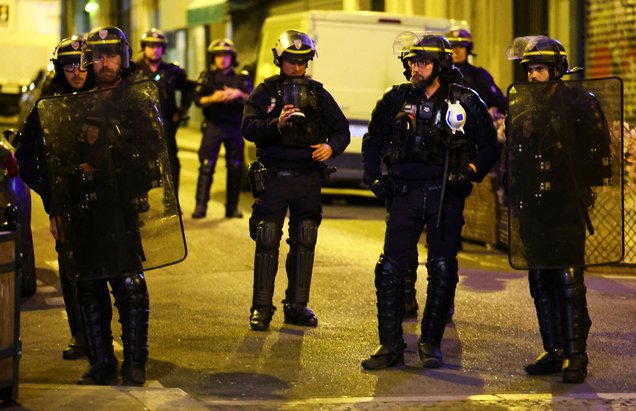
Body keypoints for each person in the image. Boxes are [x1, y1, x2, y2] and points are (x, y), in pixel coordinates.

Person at [33, 26, 172, 386]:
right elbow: (54, 158)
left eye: (112, 54)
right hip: (82, 209)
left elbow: (154, 155)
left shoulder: (136, 99)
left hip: (120, 207)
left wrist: (116, 158)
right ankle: (100, 362)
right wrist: (57, 205)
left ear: (122, 57)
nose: (105, 62)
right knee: (89, 286)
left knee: (128, 284)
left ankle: (135, 362)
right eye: (98, 55)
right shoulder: (74, 102)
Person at [360, 32, 500, 370]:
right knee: (390, 269)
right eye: (411, 61)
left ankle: (430, 343)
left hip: (444, 196)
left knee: (441, 268)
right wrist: (374, 177)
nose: (414, 68)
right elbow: (372, 140)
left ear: (440, 65)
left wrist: (468, 171)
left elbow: (491, 146)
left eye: (422, 62)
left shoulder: (464, 100)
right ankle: (389, 344)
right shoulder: (395, 99)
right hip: (404, 194)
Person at [505, 35, 614, 384]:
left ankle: (575, 355)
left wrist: (566, 151)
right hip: (533, 202)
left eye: (539, 69)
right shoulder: (522, 104)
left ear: (556, 70)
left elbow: (600, 154)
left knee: (568, 278)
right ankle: (553, 350)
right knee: (540, 277)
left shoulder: (580, 102)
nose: (534, 75)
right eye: (530, 69)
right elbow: (517, 157)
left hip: (566, 203)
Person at [242, 30, 350, 331]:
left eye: (303, 62)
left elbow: (341, 130)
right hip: (274, 178)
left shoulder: (318, 93)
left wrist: (331, 148)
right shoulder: (266, 92)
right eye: (292, 61)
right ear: (280, 60)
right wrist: (276, 123)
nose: (298, 68)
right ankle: (261, 308)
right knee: (266, 238)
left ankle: (297, 305)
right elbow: (248, 127)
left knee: (305, 237)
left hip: (307, 178)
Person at [16, 35, 95, 361]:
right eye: (69, 66)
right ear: (59, 69)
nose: (76, 72)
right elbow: (24, 157)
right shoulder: (45, 107)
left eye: (82, 65)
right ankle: (81, 336)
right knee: (72, 271)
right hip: (67, 203)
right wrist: (52, 200)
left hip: (106, 202)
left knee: (116, 274)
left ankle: (112, 343)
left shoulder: (105, 99)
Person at [192, 39, 253, 219]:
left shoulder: (241, 79)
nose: (222, 59)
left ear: (232, 57)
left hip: (234, 126)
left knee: (235, 168)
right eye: (218, 56)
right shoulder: (207, 77)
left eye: (226, 55)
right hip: (213, 125)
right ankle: (200, 206)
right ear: (213, 58)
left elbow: (253, 100)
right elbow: (196, 100)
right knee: (206, 166)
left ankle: (232, 207)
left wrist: (238, 94)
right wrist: (213, 98)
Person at [132, 28, 194, 196]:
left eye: (159, 46)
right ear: (144, 47)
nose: (155, 49)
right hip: (140, 125)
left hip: (166, 124)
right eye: (151, 45)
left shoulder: (172, 71)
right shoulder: (133, 70)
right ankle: (141, 201)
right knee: (140, 162)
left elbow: (189, 89)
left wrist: (180, 112)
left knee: (171, 163)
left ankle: (171, 201)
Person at [447, 28, 507, 117]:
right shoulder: (441, 75)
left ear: (468, 49)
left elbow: (501, 103)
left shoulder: (479, 75)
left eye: (461, 46)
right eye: (453, 47)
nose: (456, 51)